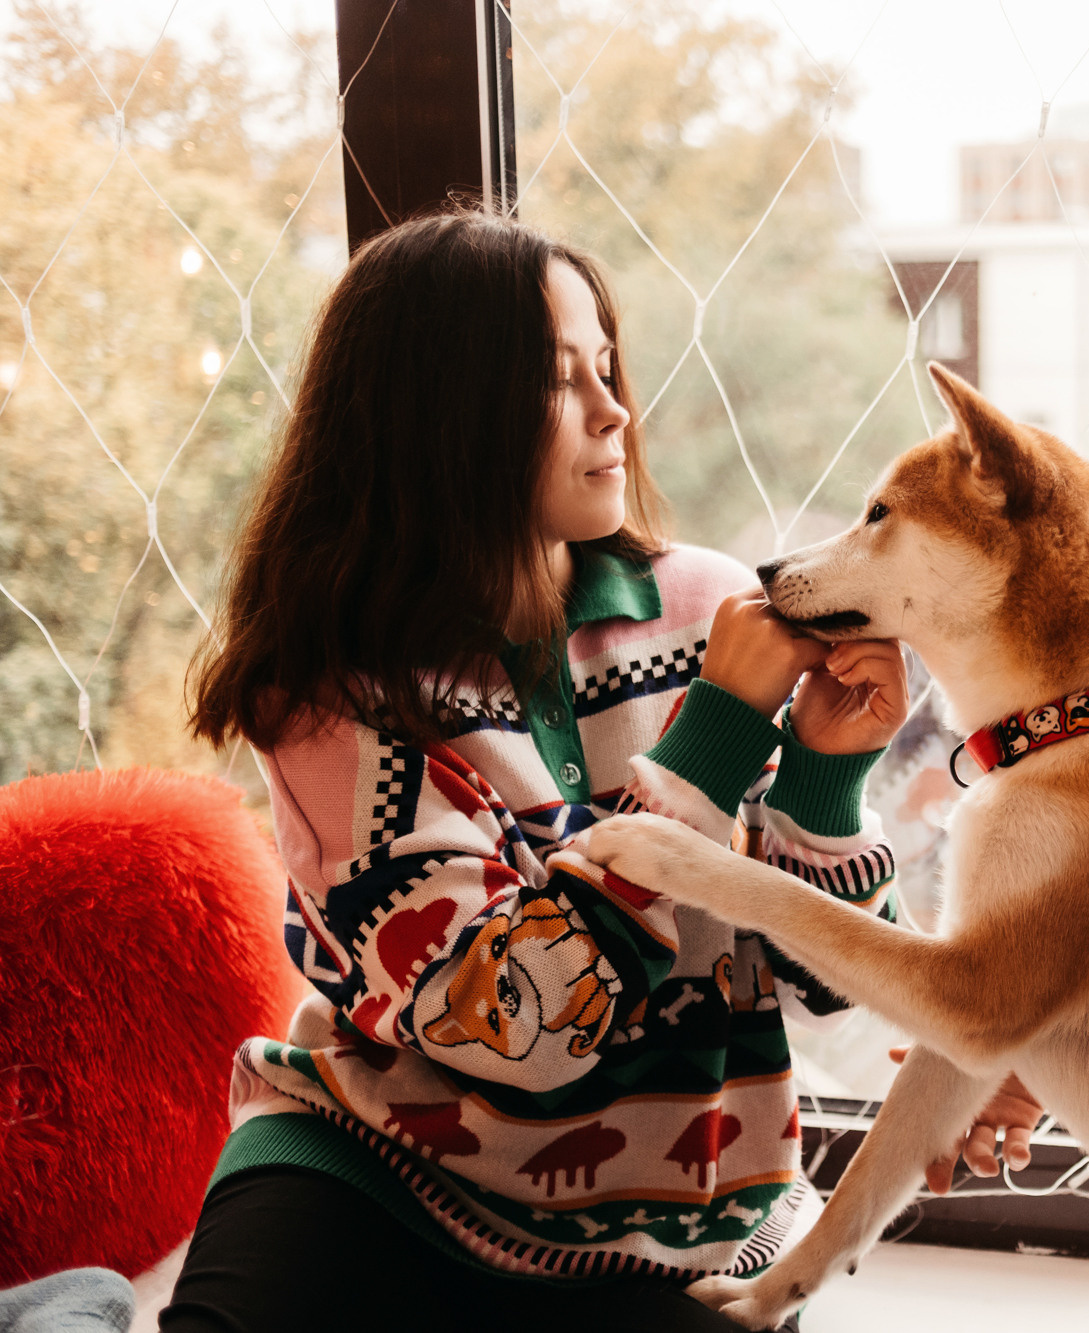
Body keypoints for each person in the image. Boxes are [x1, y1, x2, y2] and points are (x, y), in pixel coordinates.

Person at [175, 211, 909, 1333]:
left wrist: (821, 776)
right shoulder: (332, 695)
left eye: (606, 366)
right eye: (555, 381)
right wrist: (709, 745)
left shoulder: (707, 611)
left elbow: (828, 988)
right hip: (371, 1171)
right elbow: (514, 1033)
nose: (614, 410)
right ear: (438, 416)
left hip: (677, 1218)